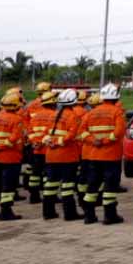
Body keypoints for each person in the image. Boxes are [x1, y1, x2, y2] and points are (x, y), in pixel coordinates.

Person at [79, 83, 126, 225]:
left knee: (92, 186)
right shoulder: (117, 112)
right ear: (116, 98)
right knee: (110, 187)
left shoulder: (90, 113)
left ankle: (89, 216)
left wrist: (94, 140)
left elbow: (82, 132)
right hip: (111, 156)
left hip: (94, 155)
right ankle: (110, 216)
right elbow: (119, 132)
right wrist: (105, 141)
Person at [0, 92, 27, 221]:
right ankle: (5, 212)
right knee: (8, 186)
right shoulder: (17, 119)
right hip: (10, 158)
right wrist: (1, 146)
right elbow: (14, 138)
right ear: (16, 106)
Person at [42, 88, 83, 221]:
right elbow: (72, 135)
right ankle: (70, 213)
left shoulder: (54, 115)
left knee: (50, 185)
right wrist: (59, 142)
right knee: (67, 186)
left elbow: (46, 133)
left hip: (51, 155)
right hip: (67, 156)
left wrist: (51, 142)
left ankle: (48, 212)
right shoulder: (72, 116)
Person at [25, 91, 57, 205]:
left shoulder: (36, 116)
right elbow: (51, 132)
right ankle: (49, 197)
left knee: (35, 174)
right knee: (48, 175)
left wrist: (35, 142)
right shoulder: (54, 115)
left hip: (36, 149)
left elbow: (30, 131)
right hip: (48, 150)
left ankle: (34, 196)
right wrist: (42, 142)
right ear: (53, 103)